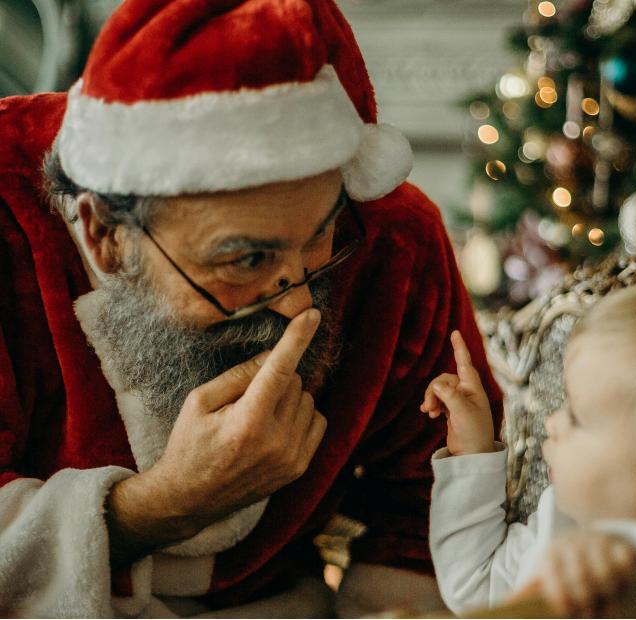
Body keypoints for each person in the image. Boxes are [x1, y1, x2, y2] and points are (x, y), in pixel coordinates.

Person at [0, 0, 504, 616]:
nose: (297, 303)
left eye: (321, 235)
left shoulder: (390, 235)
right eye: (245, 260)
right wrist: (164, 504)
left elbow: (423, 511)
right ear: (105, 235)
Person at [424, 281, 636, 617]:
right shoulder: (567, 511)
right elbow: (478, 587)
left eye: (577, 418)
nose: (552, 423)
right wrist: (472, 452)